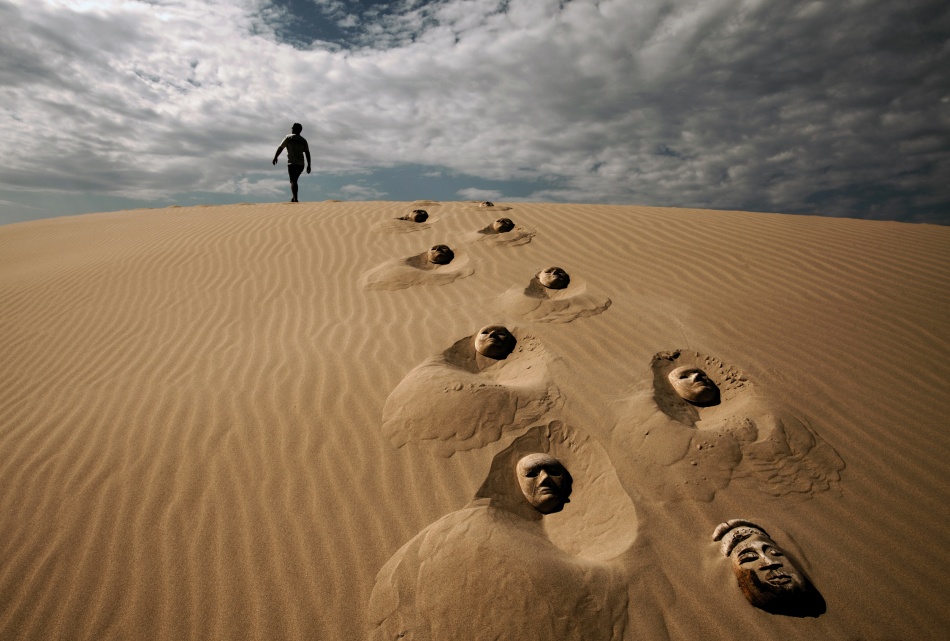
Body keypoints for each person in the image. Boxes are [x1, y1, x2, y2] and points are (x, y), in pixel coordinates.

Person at [272, 123, 311, 202]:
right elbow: (307, 153)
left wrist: (276, 157)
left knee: (293, 181)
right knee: (295, 180)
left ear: (296, 129)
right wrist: (309, 165)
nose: (292, 129)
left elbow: (281, 147)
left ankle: (295, 198)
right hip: (301, 164)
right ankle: (294, 198)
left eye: (293, 128)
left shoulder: (289, 137)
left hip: (292, 163)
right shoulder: (303, 140)